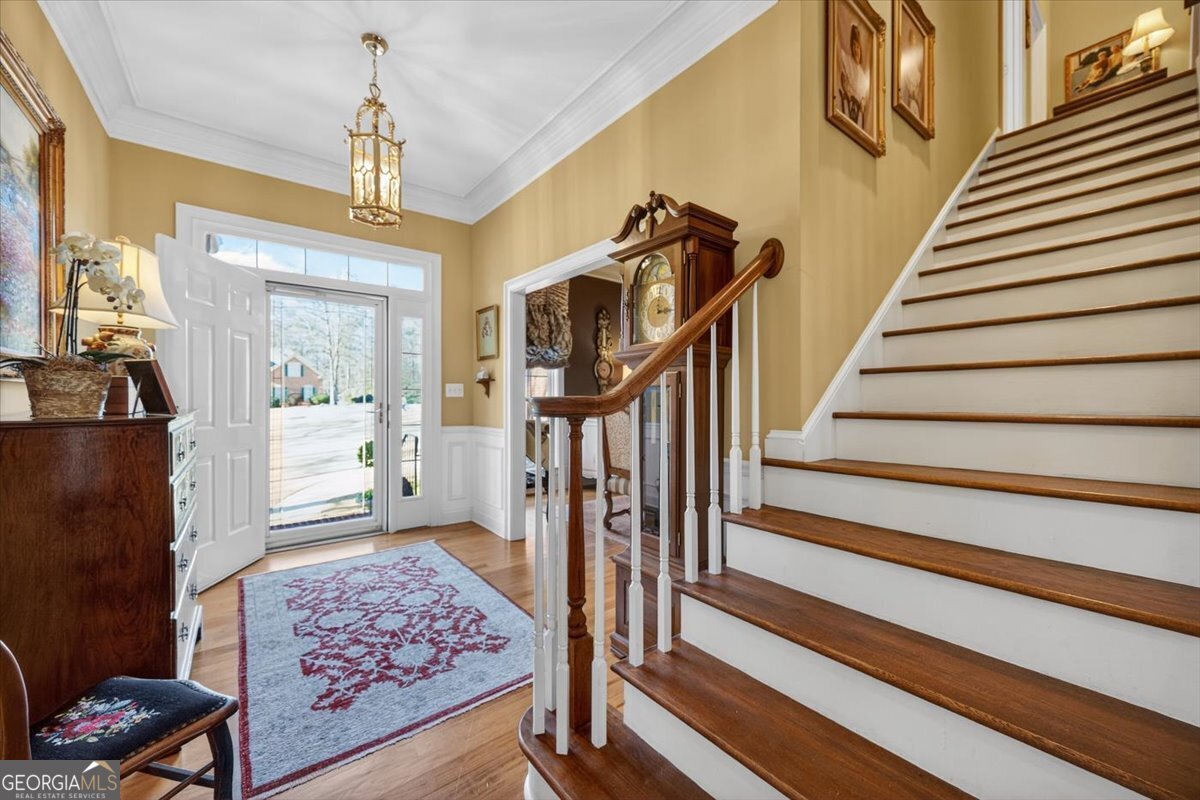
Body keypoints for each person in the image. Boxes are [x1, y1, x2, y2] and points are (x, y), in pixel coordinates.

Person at [838, 23, 871, 127]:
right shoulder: (847, 61)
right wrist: (848, 93)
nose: (855, 50)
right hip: (847, 106)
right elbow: (843, 81)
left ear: (860, 48)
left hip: (858, 114)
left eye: (857, 46)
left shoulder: (863, 76)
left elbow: (864, 98)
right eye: (853, 46)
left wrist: (862, 103)